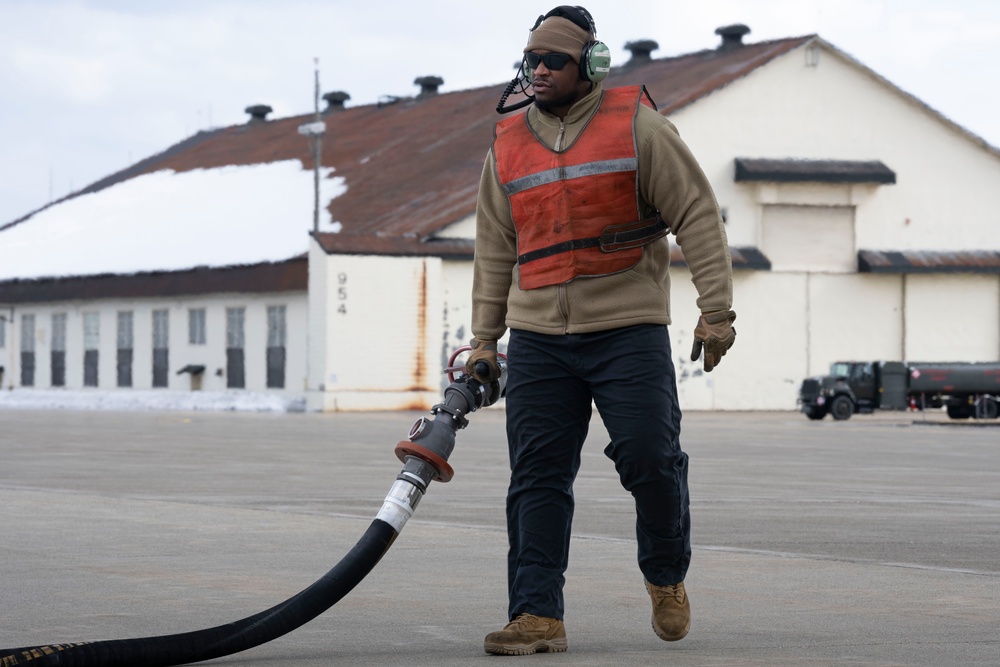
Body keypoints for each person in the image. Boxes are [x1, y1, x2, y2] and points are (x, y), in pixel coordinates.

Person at [465, 4, 736, 657]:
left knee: (650, 457)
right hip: (537, 339)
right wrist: (483, 340)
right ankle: (537, 614)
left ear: (590, 65)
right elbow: (494, 248)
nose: (538, 70)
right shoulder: (507, 146)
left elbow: (698, 214)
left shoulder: (638, 129)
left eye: (553, 60)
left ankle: (665, 572)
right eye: (530, 60)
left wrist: (717, 310)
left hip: (627, 328)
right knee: (536, 474)